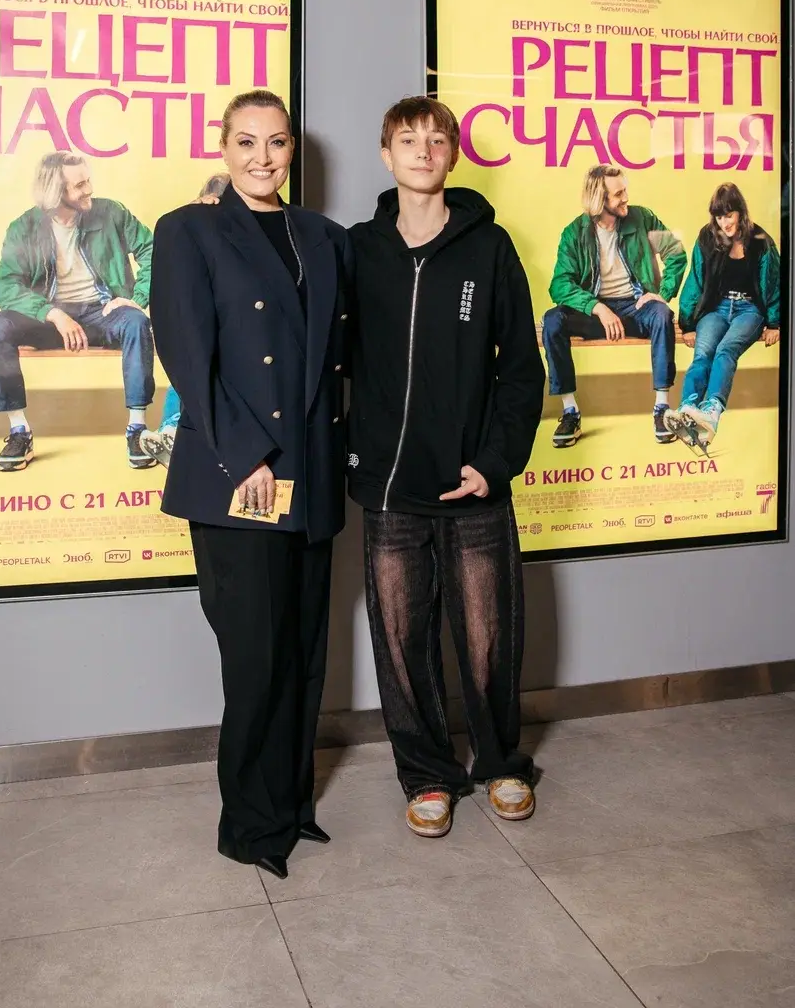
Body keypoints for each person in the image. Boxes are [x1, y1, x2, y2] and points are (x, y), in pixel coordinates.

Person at [149, 89, 351, 882]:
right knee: (256, 659)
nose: (262, 157)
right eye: (246, 141)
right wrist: (246, 456)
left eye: (275, 142)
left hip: (312, 472)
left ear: (292, 149)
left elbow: (338, 357)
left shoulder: (320, 235)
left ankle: (292, 806)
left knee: (303, 653)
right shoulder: (189, 229)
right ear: (223, 147)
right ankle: (249, 824)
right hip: (242, 475)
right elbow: (186, 355)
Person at [347, 96, 544, 838]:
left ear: (452, 156)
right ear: (386, 154)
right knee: (402, 644)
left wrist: (495, 462)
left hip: (473, 485)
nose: (423, 151)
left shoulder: (487, 247)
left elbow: (521, 369)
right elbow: (331, 359)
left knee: (489, 640)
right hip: (391, 489)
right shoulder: (358, 249)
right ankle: (427, 775)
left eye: (436, 140)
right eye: (408, 139)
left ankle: (499, 763)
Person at [0, 152, 156, 473]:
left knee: (136, 322)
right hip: (49, 319)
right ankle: (19, 431)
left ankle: (137, 428)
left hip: (101, 311)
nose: (89, 189)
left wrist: (137, 298)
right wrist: (52, 313)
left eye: (87, 180)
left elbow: (153, 250)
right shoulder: (24, 228)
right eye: (79, 185)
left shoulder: (111, 212)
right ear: (54, 192)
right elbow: (4, 287)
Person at [541, 165, 687, 448]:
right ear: (599, 199)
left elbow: (676, 253)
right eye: (618, 194)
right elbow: (559, 284)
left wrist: (662, 293)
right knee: (553, 320)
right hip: (596, 312)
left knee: (662, 314)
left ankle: (662, 408)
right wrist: (597, 307)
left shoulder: (642, 218)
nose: (626, 198)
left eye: (625, 190)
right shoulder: (574, 233)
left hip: (636, 306)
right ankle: (570, 411)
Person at [665, 182, 781, 448]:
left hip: (749, 310)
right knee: (703, 352)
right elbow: (695, 280)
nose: (724, 223)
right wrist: (687, 324)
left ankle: (711, 412)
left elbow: (773, 283)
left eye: (729, 215)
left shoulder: (761, 241)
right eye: (719, 217)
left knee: (725, 350)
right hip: (716, 309)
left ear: (740, 212)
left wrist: (774, 322)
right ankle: (687, 408)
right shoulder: (707, 238)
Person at [140, 173, 230, 467]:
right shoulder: (187, 228)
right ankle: (170, 431)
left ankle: (172, 431)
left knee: (194, 374)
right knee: (184, 372)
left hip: (225, 333)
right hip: (201, 327)